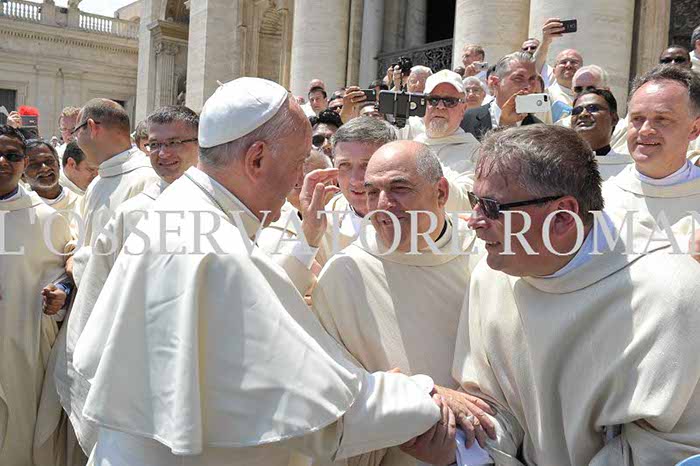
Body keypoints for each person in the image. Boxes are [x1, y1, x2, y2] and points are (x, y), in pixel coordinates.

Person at [72, 77, 446, 466]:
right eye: (298, 162)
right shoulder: (218, 249)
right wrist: (422, 395)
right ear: (257, 159)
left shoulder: (181, 208)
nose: (299, 179)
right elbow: (318, 417)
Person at [454, 123, 700, 465]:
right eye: (474, 201)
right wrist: (463, 443)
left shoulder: (670, 293)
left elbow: (668, 444)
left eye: (491, 207)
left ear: (562, 217)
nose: (473, 221)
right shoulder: (492, 275)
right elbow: (491, 406)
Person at [312, 140, 494, 466]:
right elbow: (334, 391)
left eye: (399, 189)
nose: (383, 204)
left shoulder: (486, 258)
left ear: (441, 193)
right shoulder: (343, 275)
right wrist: (417, 395)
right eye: (372, 192)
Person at [52, 106, 201, 458]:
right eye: (155, 145)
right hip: (138, 348)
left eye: (175, 143)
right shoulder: (133, 210)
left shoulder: (224, 204)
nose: (163, 154)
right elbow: (102, 271)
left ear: (200, 143)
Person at [0, 125, 74, 465]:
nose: (3, 162)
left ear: (23, 162)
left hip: (22, 344)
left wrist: (60, 294)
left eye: (12, 155)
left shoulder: (47, 219)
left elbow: (64, 274)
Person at [603, 65, 700, 231]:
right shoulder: (599, 199)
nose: (645, 130)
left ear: (694, 129)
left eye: (662, 119)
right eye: (637, 118)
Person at [324, 116, 397, 256]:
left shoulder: (418, 218)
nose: (356, 180)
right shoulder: (324, 222)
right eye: (345, 165)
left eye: (367, 165)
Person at [413, 70, 479, 213]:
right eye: (433, 100)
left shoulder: (476, 153)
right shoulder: (410, 147)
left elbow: (468, 204)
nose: (440, 106)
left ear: (463, 109)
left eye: (450, 101)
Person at [460, 52, 542, 141]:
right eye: (518, 79)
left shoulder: (540, 131)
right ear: (495, 82)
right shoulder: (465, 119)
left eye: (532, 79)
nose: (528, 86)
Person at [571, 89, 632, 179]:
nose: (583, 114)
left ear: (614, 119)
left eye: (593, 108)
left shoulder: (629, 169)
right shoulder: (557, 164)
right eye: (577, 111)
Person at [23, 138, 82, 212]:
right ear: (22, 172)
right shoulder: (20, 209)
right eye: (34, 164)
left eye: (49, 161)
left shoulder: (81, 203)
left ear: (58, 164)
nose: (44, 168)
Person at [546, 48, 584, 118]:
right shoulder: (546, 96)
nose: (568, 65)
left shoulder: (590, 95)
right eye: (563, 62)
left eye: (574, 62)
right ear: (554, 71)